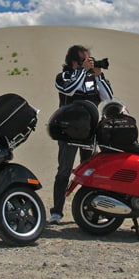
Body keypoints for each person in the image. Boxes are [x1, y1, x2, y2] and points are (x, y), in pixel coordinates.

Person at [48, 45, 114, 224]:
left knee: (90, 172)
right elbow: (69, 90)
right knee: (64, 171)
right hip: (68, 132)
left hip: (89, 132)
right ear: (74, 61)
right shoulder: (63, 76)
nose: (89, 62)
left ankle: (88, 211)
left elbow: (108, 98)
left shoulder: (92, 77)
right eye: (85, 59)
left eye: (89, 58)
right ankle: (57, 212)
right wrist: (82, 72)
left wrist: (99, 76)